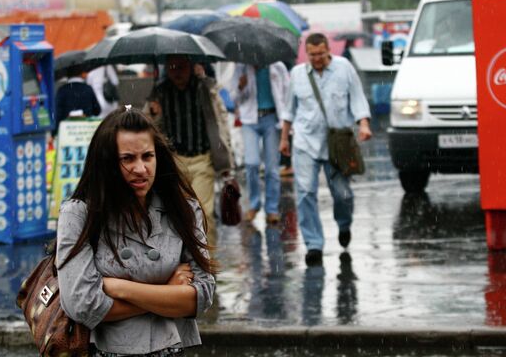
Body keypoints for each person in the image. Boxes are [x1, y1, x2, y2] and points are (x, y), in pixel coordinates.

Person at [56, 106, 216, 356]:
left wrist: (120, 288)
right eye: (127, 158)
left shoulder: (183, 209)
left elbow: (203, 295)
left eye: (147, 156)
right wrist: (168, 290)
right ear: (107, 162)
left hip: (170, 348)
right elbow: (83, 305)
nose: (140, 169)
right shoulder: (79, 214)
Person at [279, 33, 372, 266]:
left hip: (337, 145)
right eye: (312, 55)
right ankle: (314, 244)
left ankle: (344, 223)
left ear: (328, 50)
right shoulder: (298, 74)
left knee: (343, 194)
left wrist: (363, 124)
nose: (317, 58)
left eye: (321, 54)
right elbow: (289, 110)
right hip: (305, 142)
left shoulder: (344, 68)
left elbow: (358, 99)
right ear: (307, 54)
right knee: (306, 193)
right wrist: (283, 139)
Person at [147, 55, 233, 247]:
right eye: (172, 67)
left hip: (202, 159)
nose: (177, 72)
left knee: (204, 214)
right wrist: (153, 114)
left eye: (182, 67)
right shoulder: (159, 92)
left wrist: (226, 161)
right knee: (177, 215)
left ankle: (207, 263)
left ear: (192, 67)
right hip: (174, 162)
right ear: (166, 69)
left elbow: (220, 123)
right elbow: (149, 129)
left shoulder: (205, 89)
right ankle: (184, 260)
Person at [230, 61, 290, 224]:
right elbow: (233, 98)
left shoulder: (278, 66)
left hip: (272, 119)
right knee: (252, 164)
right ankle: (254, 204)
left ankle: (271, 209)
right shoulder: (241, 67)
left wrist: (287, 123)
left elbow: (287, 94)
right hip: (250, 120)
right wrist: (241, 86)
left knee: (272, 169)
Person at [54, 66, 101, 136]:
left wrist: (54, 133)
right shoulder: (88, 89)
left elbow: (57, 114)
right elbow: (97, 110)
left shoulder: (62, 90)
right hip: (86, 131)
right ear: (81, 73)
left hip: (67, 132)